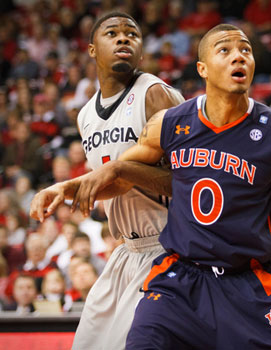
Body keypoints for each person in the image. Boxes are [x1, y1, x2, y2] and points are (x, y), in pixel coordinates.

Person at [37, 24, 271, 349]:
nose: (239, 58)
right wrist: (66, 188)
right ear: (202, 68)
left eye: (245, 51)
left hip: (247, 283)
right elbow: (118, 176)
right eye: (226, 50)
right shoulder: (170, 123)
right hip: (179, 281)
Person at [29, 12, 184, 350]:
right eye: (112, 33)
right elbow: (109, 178)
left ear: (141, 52)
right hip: (126, 250)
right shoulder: (85, 115)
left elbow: (190, 183)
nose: (123, 38)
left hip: (170, 247)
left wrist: (122, 173)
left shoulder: (155, 95)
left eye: (132, 34)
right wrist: (64, 188)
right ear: (91, 50)